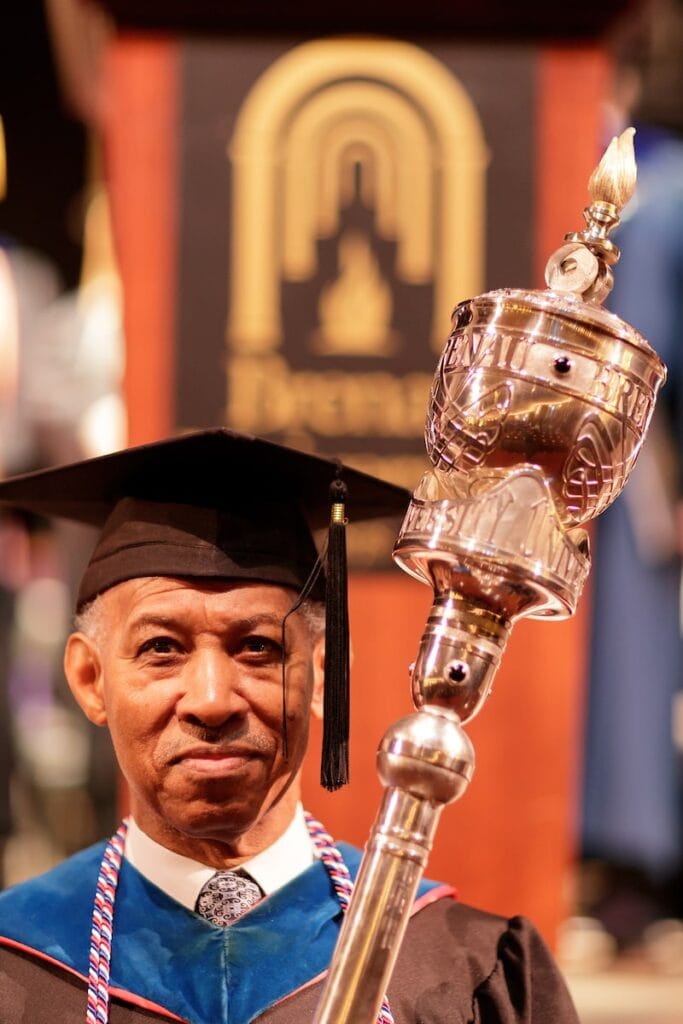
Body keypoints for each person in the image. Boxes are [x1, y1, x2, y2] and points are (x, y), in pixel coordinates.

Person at [0, 429, 579, 1023]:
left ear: (325, 674)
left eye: (257, 647)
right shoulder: (16, 961)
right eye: (162, 648)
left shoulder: (463, 966)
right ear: (91, 680)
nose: (211, 699)